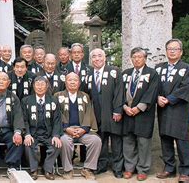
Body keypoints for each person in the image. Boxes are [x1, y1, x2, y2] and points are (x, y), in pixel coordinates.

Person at [155, 39, 189, 183]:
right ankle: (169, 168)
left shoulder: (188, 68)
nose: (172, 51)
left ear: (181, 52)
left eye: (175, 49)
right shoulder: (159, 68)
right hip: (163, 109)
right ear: (166, 51)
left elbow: (185, 87)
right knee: (165, 138)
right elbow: (154, 86)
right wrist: (157, 97)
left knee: (181, 140)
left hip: (178, 109)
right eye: (169, 49)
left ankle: (185, 171)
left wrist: (170, 99)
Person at [121, 47, 159, 181]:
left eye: (139, 57)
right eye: (134, 57)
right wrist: (124, 107)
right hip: (127, 113)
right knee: (128, 141)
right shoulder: (125, 73)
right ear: (131, 59)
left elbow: (152, 93)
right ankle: (129, 168)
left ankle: (142, 169)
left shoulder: (152, 73)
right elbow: (119, 94)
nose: (136, 59)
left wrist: (139, 108)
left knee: (143, 142)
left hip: (143, 114)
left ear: (145, 58)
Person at [55, 72, 101, 180]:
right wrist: (66, 128)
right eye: (69, 80)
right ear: (65, 82)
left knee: (96, 141)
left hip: (82, 131)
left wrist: (83, 129)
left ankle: (88, 169)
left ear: (79, 83)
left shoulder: (85, 96)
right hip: (65, 131)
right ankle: (68, 169)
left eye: (75, 80)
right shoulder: (58, 96)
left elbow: (89, 113)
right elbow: (57, 114)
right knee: (64, 141)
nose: (72, 82)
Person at [87, 48, 124, 177]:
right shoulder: (89, 73)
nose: (97, 59)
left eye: (99, 56)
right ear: (91, 60)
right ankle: (101, 165)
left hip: (112, 112)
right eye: (94, 57)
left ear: (105, 58)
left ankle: (117, 168)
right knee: (100, 141)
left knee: (116, 141)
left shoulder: (115, 71)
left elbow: (119, 92)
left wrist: (118, 110)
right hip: (96, 114)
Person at [22, 76, 62, 180]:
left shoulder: (53, 100)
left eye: (42, 84)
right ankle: (34, 169)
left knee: (57, 144)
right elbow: (24, 120)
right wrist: (27, 134)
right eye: (37, 84)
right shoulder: (26, 101)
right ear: (34, 86)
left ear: (47, 86)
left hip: (48, 134)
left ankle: (47, 169)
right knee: (28, 143)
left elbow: (57, 120)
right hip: (33, 133)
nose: (40, 87)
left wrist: (56, 135)